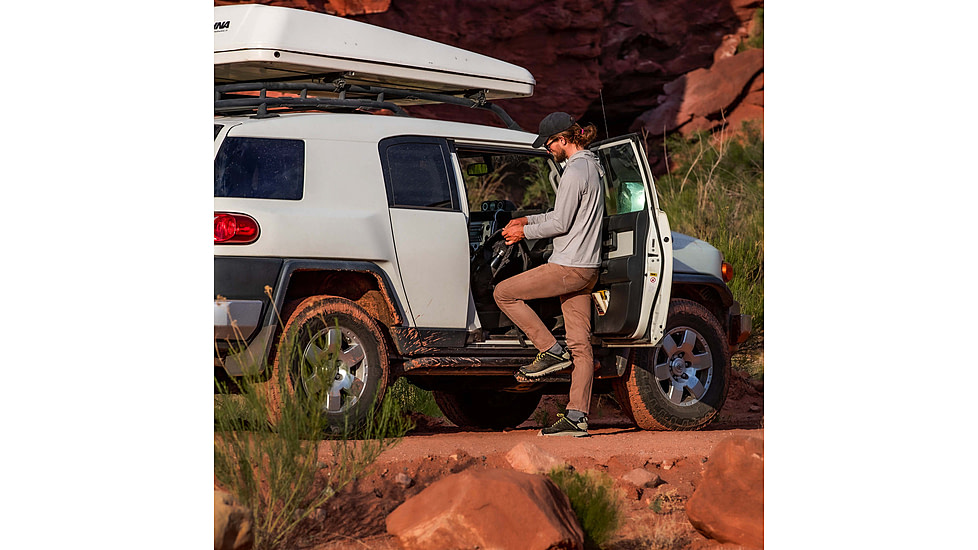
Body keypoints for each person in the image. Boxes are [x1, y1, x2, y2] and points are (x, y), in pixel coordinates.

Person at [493, 112, 604, 437]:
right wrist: (527, 219)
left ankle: (550, 351)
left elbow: (561, 224)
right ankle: (576, 418)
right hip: (588, 267)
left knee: (504, 292)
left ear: (563, 139)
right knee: (581, 346)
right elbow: (560, 213)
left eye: (549, 143)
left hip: (568, 267)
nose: (547, 149)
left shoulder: (574, 171)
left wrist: (522, 235)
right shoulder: (592, 165)